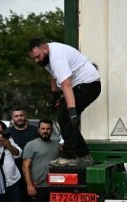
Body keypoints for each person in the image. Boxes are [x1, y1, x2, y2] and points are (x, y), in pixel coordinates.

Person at [27, 38, 100, 166]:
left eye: (38, 56)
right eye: (34, 58)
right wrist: (54, 94)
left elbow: (66, 84)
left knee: (65, 116)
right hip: (79, 86)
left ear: (44, 48)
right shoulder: (47, 56)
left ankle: (69, 156)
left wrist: (72, 110)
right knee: (64, 117)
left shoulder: (56, 58)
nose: (37, 60)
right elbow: (53, 75)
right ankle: (83, 155)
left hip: (89, 85)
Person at [22, 119, 60, 202]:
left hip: (54, 187)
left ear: (51, 130)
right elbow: (25, 166)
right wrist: (29, 184)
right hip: (38, 187)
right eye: (43, 129)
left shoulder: (56, 146)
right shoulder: (31, 145)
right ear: (38, 130)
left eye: (48, 129)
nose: (45, 131)